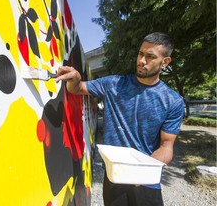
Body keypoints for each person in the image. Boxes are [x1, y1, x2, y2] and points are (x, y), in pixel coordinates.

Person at [56, 32, 184, 206]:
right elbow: (77, 88)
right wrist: (75, 79)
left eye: (150, 57)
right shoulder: (113, 84)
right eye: (140, 54)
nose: (141, 61)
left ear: (165, 62)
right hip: (115, 177)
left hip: (146, 182)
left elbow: (166, 146)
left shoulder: (173, 100)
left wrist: (145, 169)